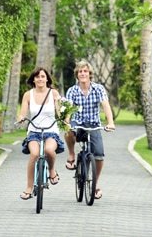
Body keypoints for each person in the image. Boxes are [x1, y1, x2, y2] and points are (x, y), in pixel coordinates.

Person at [63, 59, 115, 200]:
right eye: (80, 71)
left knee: (99, 155)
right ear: (77, 74)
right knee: (68, 132)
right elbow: (68, 110)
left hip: (93, 124)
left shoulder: (98, 88)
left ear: (90, 74)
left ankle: (95, 184)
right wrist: (67, 122)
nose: (83, 73)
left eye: (85, 71)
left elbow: (105, 105)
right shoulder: (72, 91)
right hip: (78, 122)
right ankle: (72, 154)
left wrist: (110, 122)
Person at [15, 67, 65, 200]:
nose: (40, 79)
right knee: (34, 154)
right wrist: (21, 118)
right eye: (37, 77)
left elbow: (60, 111)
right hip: (34, 130)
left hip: (51, 130)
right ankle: (29, 188)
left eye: (43, 76)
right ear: (33, 80)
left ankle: (52, 171)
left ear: (47, 78)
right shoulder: (28, 94)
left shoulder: (53, 93)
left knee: (49, 150)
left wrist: (64, 118)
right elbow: (23, 112)